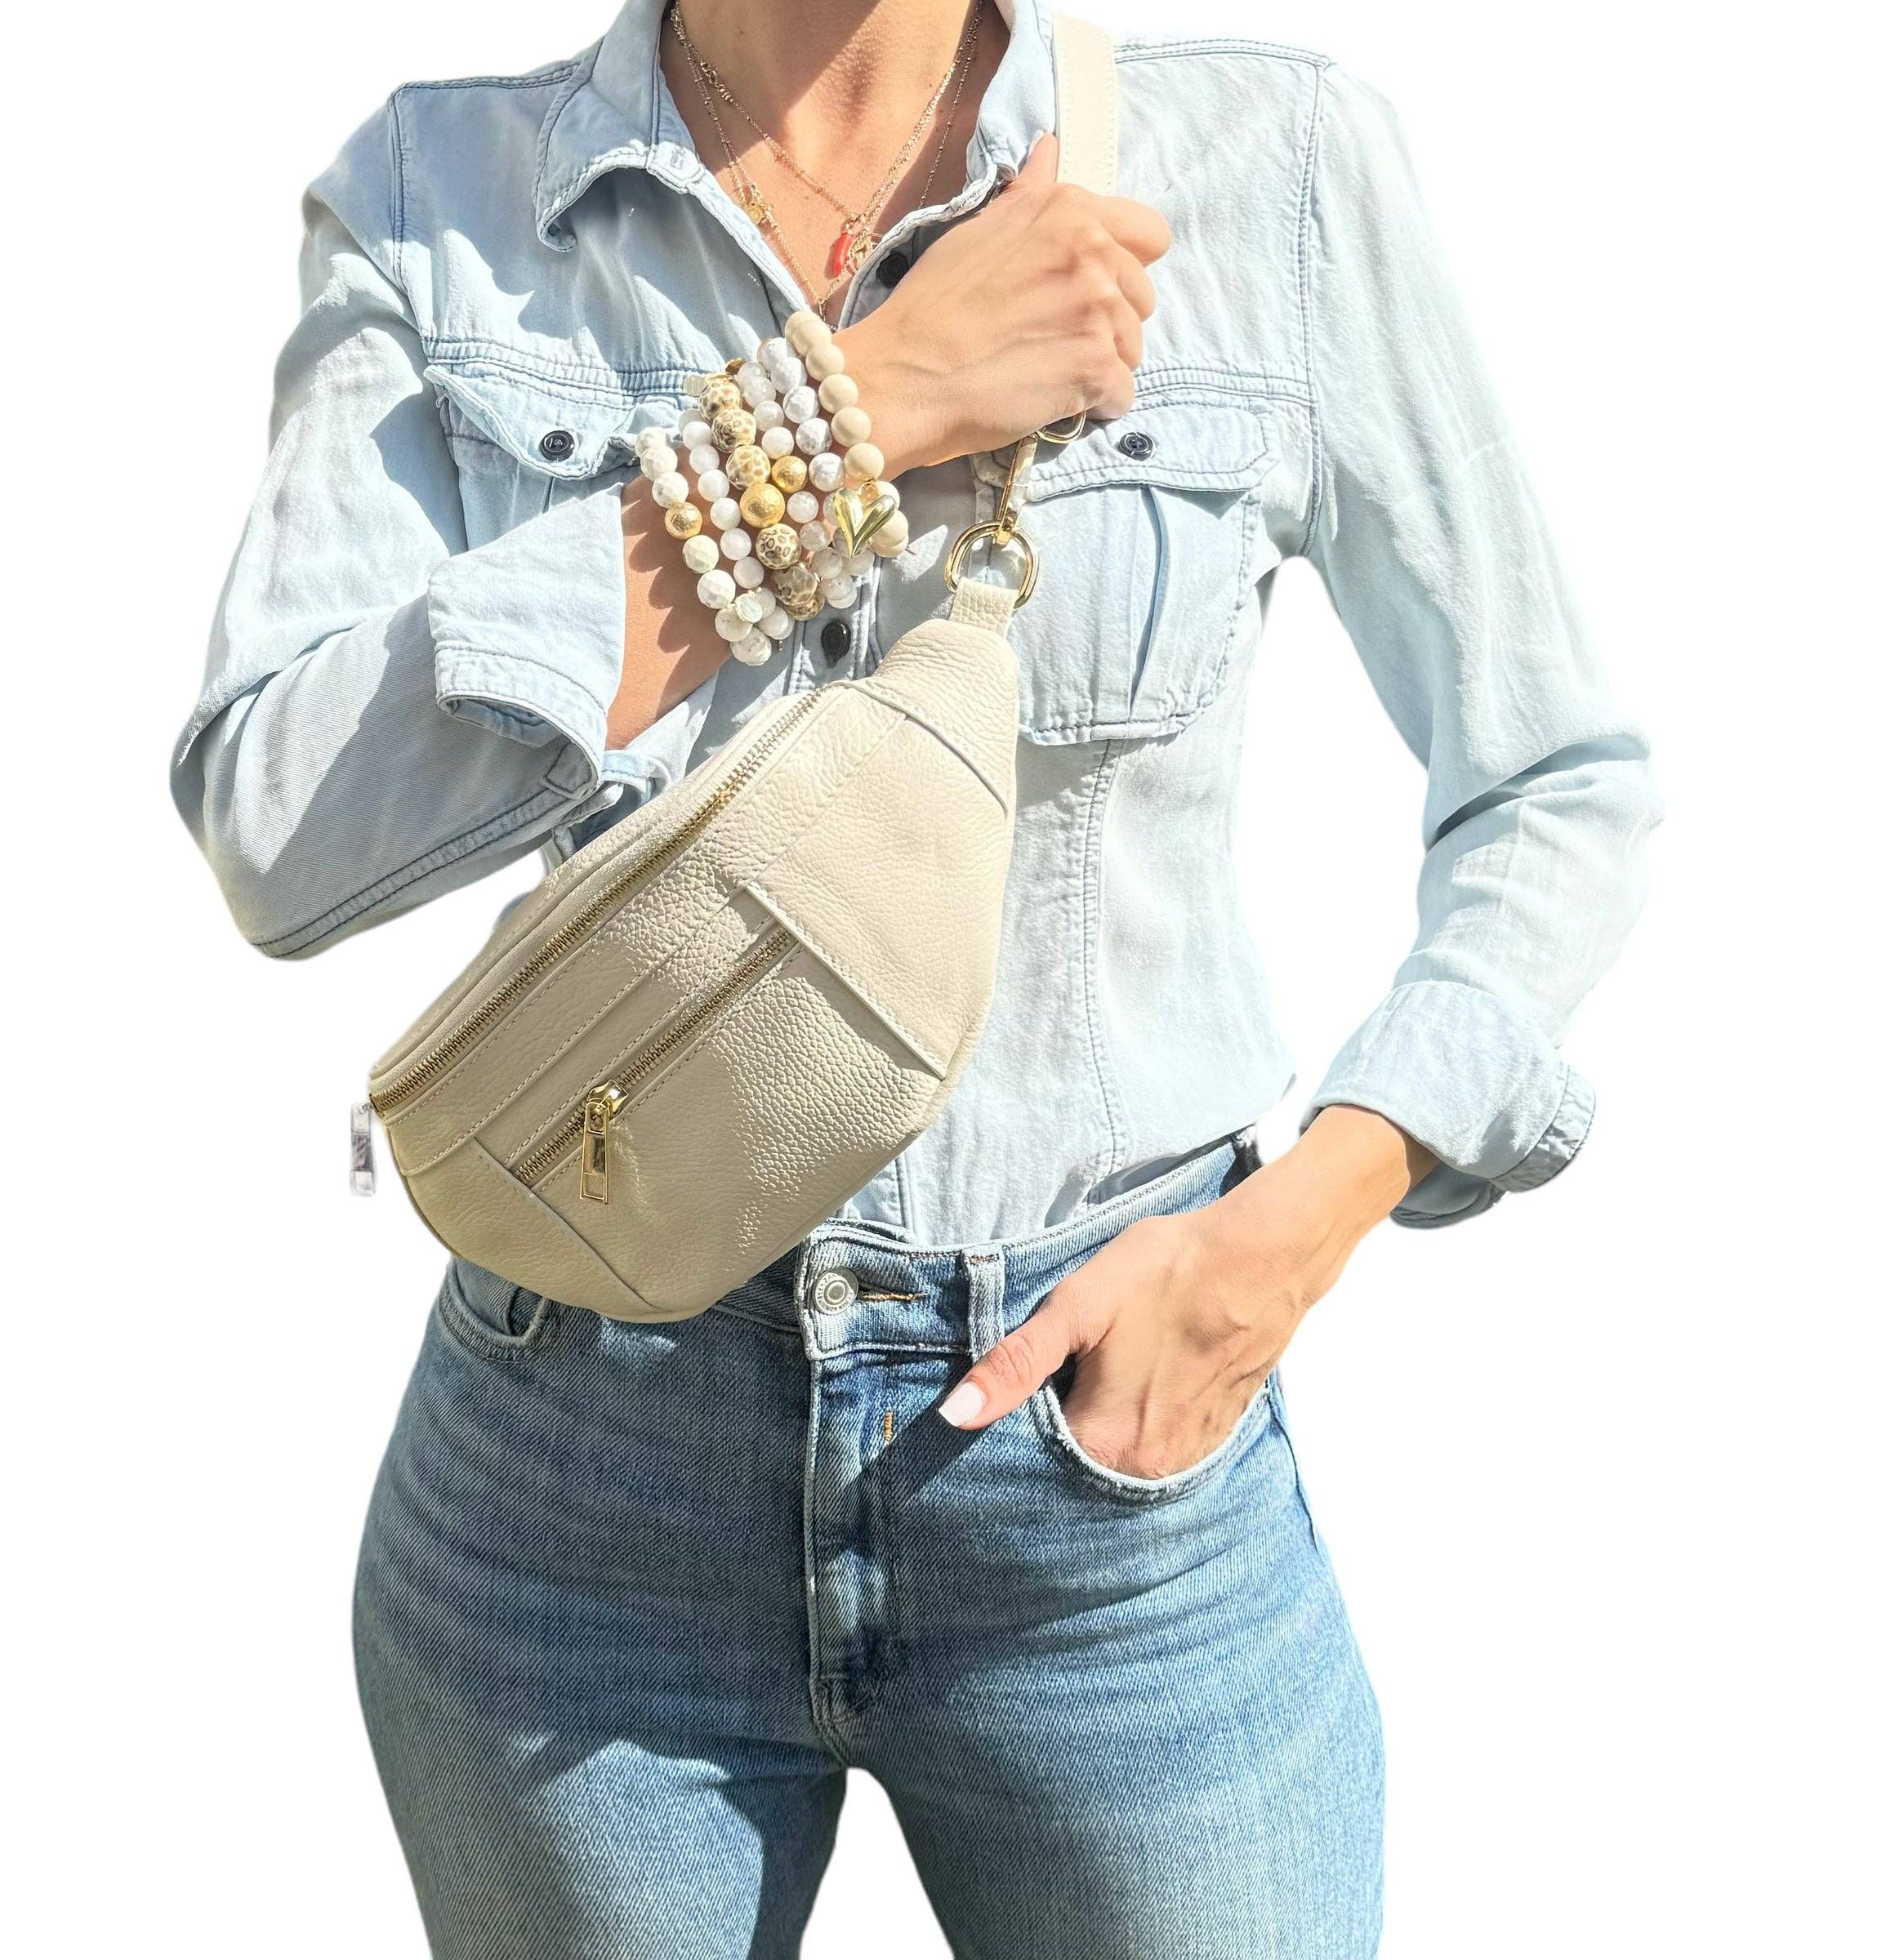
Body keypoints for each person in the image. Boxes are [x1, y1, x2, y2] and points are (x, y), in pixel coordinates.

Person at [170, 0, 1658, 1952]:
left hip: (1102, 1481)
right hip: (574, 1486)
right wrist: (847, 418)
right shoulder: (439, 200)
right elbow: (279, 823)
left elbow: (1556, 781)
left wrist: (1289, 1235)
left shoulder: (1271, 166)